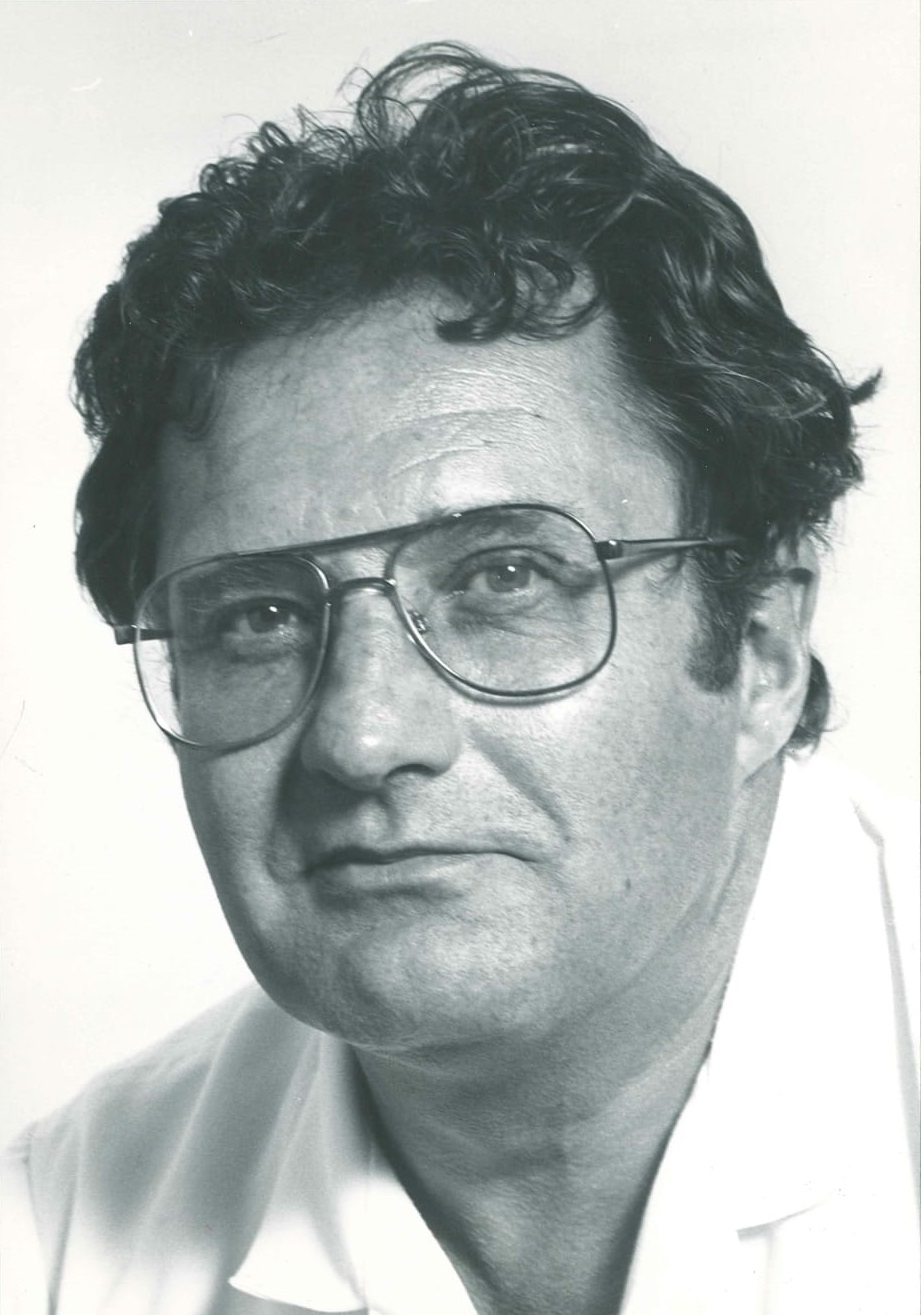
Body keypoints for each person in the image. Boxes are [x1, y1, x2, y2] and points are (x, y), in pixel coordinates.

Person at [2, 41, 917, 1315]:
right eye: (259, 615)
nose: (363, 736)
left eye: (504, 578)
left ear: (761, 647)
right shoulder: (51, 1244)